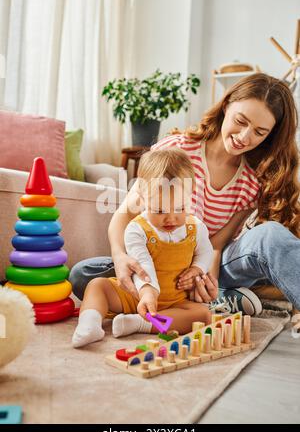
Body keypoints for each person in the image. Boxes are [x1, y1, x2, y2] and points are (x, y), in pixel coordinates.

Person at [70, 73, 300, 315]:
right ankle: (219, 300)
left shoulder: (252, 181)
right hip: (158, 262)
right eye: (240, 121)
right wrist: (119, 256)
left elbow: (216, 245)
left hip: (208, 263)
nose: (244, 137)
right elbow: (125, 215)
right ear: (226, 105)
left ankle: (211, 296)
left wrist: (202, 276)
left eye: (259, 132)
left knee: (271, 235)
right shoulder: (176, 149)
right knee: (83, 274)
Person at [72, 148, 213, 348]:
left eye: (181, 208)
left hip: (176, 300)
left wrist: (198, 269)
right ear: (142, 200)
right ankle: (89, 324)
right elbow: (142, 264)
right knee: (97, 286)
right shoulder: (136, 229)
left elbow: (205, 252)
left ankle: (139, 323)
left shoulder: (196, 227)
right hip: (137, 294)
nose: (171, 218)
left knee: (203, 315)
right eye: (160, 210)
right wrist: (147, 293)